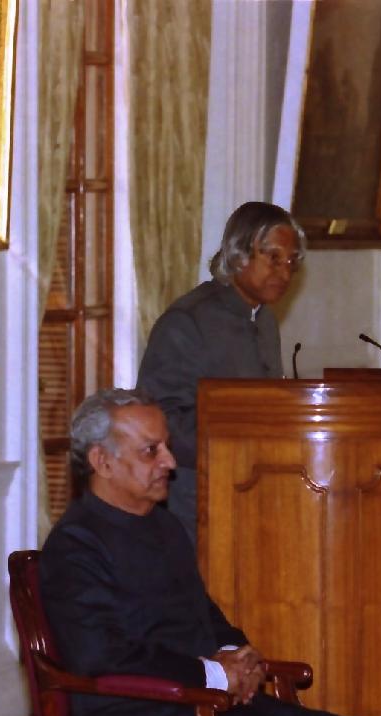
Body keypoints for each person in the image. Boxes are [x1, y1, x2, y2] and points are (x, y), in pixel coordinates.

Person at [40, 389, 381, 716]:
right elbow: (101, 655)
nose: (170, 462)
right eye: (151, 451)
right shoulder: (76, 545)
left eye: (166, 446)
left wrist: (236, 654)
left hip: (208, 710)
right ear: (102, 462)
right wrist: (212, 674)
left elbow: (202, 615)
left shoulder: (164, 527)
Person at [137, 201, 306, 541]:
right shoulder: (188, 321)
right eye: (273, 258)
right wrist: (238, 447)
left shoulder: (265, 321)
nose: (285, 273)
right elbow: (161, 421)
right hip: (196, 503)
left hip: (255, 494)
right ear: (239, 254)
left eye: (291, 262)